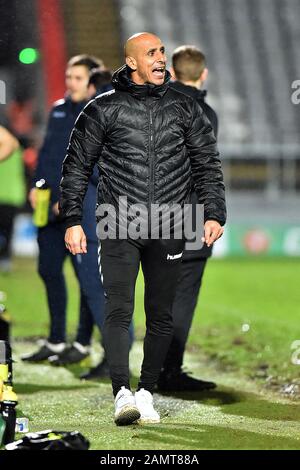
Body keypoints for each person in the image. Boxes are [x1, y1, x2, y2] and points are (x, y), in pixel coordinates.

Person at [60, 33, 226, 426]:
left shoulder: (185, 107)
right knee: (119, 310)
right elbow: (76, 167)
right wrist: (72, 220)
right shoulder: (103, 108)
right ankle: (122, 393)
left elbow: (207, 162)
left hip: (172, 221)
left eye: (162, 52)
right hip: (118, 222)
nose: (160, 58)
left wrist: (214, 213)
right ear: (131, 62)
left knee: (160, 314)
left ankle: (148, 391)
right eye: (151, 53)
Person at [22, 55, 113, 371]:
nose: (70, 83)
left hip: (76, 209)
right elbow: (47, 153)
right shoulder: (59, 110)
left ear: (90, 82)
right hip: (48, 208)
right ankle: (57, 339)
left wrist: (70, 198)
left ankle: (83, 342)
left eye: (77, 77)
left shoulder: (96, 113)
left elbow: (88, 165)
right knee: (48, 270)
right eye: (68, 76)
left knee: (87, 280)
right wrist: (36, 184)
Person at [157, 45, 219, 392]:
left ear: (172, 72)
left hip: (151, 216)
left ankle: (152, 369)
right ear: (203, 73)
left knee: (158, 294)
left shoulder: (154, 106)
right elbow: (205, 172)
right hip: (189, 219)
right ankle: (169, 371)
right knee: (182, 296)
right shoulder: (206, 113)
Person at [0, 126, 26, 272]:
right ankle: (5, 258)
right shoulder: (18, 149)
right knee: (7, 231)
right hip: (13, 195)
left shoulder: (8, 146)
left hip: (6, 194)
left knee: (5, 231)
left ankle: (4, 258)